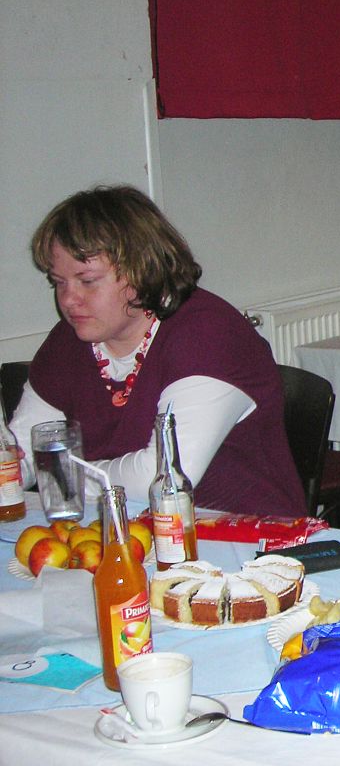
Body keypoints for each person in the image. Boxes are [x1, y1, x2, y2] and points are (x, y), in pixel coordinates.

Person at [11, 185, 304, 517]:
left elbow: (163, 476)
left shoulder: (208, 334)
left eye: (87, 281)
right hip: (123, 530)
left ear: (142, 269)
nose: (68, 299)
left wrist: (63, 475)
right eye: (59, 282)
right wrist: (12, 467)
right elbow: (26, 452)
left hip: (243, 534)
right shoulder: (69, 341)